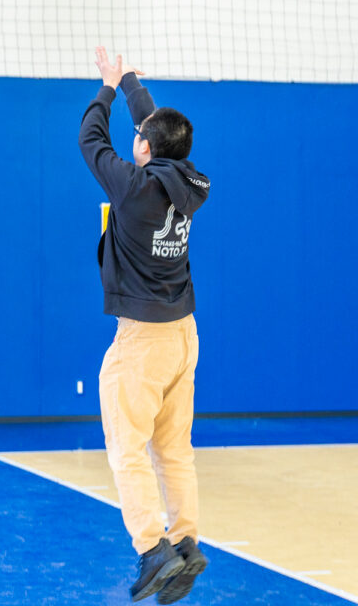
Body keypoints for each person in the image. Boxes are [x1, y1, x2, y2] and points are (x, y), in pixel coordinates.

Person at [78, 47, 211, 604]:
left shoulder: (132, 188)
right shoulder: (190, 182)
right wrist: (129, 80)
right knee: (173, 448)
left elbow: (90, 142)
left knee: (127, 449)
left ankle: (153, 550)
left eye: (142, 136)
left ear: (146, 147)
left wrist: (106, 90)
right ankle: (186, 543)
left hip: (143, 341)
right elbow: (159, 134)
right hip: (184, 336)